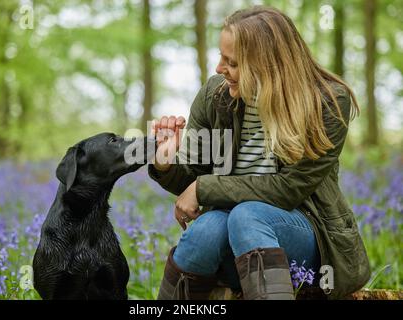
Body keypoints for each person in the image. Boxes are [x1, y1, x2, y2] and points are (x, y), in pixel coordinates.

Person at [148, 6, 370, 300]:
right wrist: (164, 163)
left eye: (233, 63)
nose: (219, 69)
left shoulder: (326, 102)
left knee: (248, 216)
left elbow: (288, 189)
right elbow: (191, 182)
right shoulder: (215, 96)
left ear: (268, 65)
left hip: (304, 240)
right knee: (206, 229)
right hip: (234, 244)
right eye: (220, 57)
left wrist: (204, 188)